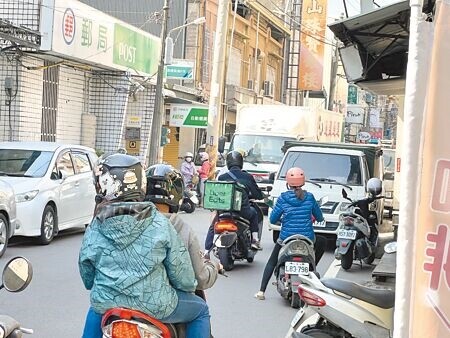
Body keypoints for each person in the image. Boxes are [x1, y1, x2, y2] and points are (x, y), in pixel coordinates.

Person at [79, 154, 210, 338]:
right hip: (158, 306)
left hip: (109, 304)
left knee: (95, 308)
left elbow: (87, 278)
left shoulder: (95, 226)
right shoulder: (159, 222)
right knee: (201, 311)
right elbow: (184, 279)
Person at [254, 167, 326, 300]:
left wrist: (282, 220)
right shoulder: (310, 197)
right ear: (303, 182)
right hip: (307, 238)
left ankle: (261, 291)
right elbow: (320, 217)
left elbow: (273, 219)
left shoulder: (283, 198)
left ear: (288, 182)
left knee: (272, 261)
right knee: (322, 242)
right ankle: (312, 267)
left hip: (286, 237)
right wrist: (315, 218)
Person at [146, 163, 220, 290]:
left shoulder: (128, 221)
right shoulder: (181, 229)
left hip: (118, 299)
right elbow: (200, 279)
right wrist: (215, 266)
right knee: (200, 308)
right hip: (160, 300)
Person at [205, 150, 264, 251]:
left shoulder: (222, 177)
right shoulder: (247, 177)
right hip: (243, 211)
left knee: (213, 225)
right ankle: (255, 240)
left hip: (224, 211)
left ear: (228, 163)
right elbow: (257, 194)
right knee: (254, 213)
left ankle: (206, 251)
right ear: (241, 162)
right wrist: (258, 196)